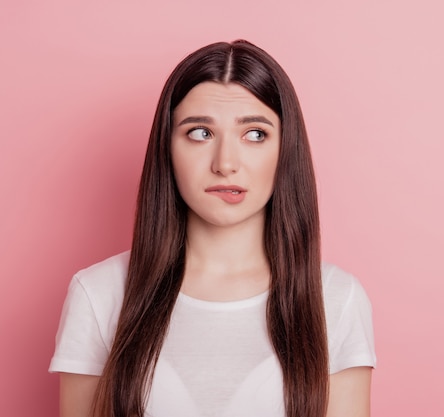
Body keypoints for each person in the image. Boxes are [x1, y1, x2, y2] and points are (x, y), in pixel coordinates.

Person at [49, 40, 376, 417]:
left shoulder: (336, 298)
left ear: (286, 148)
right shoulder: (98, 294)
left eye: (255, 133)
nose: (225, 163)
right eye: (200, 133)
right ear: (167, 148)